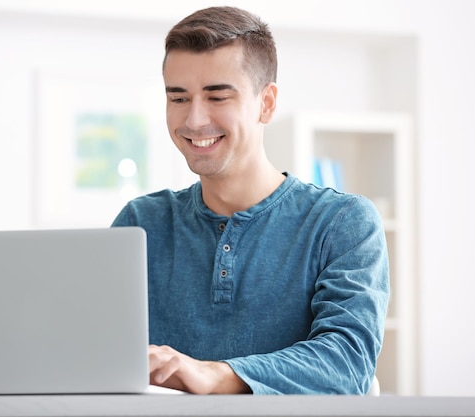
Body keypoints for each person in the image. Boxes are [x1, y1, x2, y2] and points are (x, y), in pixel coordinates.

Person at [111, 6, 389, 395]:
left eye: (217, 96)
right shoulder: (140, 222)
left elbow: (346, 364)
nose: (193, 120)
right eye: (178, 98)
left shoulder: (342, 222)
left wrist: (215, 375)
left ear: (266, 103)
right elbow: (99, 354)